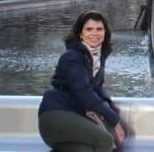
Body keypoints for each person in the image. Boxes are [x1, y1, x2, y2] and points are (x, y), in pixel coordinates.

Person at [38, 10, 126, 152]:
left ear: (105, 33)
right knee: (105, 140)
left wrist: (111, 113)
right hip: (55, 114)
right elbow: (84, 91)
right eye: (89, 29)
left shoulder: (96, 58)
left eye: (99, 29)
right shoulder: (72, 57)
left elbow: (98, 92)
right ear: (80, 34)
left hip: (72, 117)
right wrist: (114, 121)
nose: (94, 33)